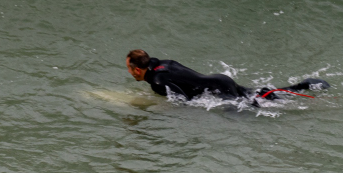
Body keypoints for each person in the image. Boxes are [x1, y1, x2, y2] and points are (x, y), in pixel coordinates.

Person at [126, 49, 328, 107]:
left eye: (128, 68)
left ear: (137, 70)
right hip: (220, 80)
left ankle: (302, 101)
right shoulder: (163, 63)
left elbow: (184, 101)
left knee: (255, 107)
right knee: (256, 95)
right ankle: (304, 86)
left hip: (219, 90)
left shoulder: (157, 83)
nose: (128, 71)